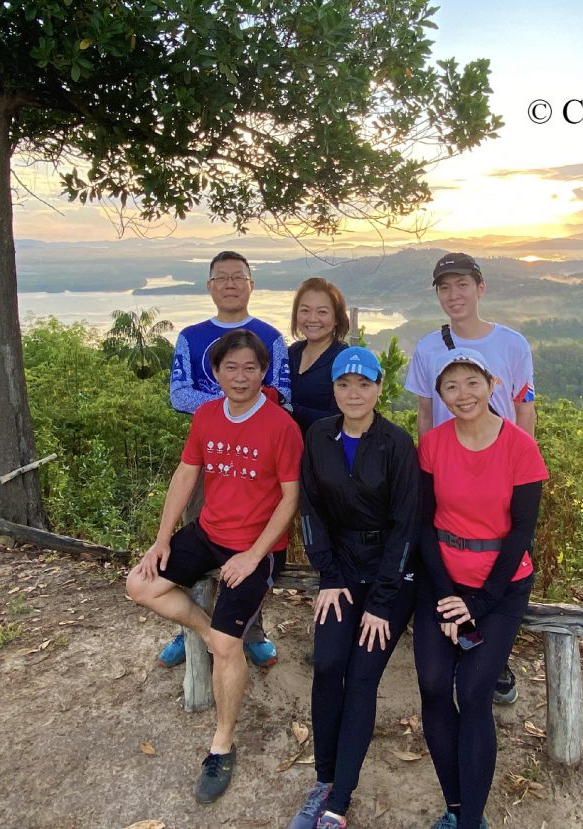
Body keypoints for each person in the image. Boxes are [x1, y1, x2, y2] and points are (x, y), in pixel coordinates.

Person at [126, 329, 303, 804]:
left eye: (250, 367)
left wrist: (252, 554)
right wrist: (162, 540)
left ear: (263, 371)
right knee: (139, 584)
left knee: (230, 646)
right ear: (217, 372)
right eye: (231, 367)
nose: (241, 376)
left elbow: (290, 499)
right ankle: (209, 634)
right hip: (208, 533)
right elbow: (186, 474)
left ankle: (221, 744)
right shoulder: (206, 415)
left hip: (257, 545)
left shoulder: (281, 425)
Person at [413, 347, 547, 829]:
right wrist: (449, 596)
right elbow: (425, 525)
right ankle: (454, 806)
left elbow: (521, 531)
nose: (462, 394)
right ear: (440, 395)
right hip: (442, 582)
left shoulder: (519, 447)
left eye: (471, 382)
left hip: (500, 588)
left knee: (472, 692)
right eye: (450, 386)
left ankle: (473, 818)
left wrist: (479, 601)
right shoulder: (432, 445)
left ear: (492, 385)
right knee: (431, 684)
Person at [286, 346, 419, 829]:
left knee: (362, 675)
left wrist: (382, 603)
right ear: (334, 389)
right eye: (345, 384)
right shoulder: (320, 435)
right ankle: (322, 780)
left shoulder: (397, 443)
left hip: (391, 575)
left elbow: (408, 526)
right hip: (341, 569)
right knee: (327, 664)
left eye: (364, 384)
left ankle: (339, 802)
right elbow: (311, 511)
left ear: (380, 388)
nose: (354, 392)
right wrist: (329, 575)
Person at [403, 251, 536, 705]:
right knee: (447, 560)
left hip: (501, 473)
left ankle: (494, 658)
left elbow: (524, 409)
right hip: (447, 471)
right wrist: (429, 469)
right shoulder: (426, 348)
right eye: (444, 287)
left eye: (462, 285)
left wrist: (521, 466)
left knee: (504, 558)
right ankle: (454, 641)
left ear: (481, 288)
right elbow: (424, 412)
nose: (453, 294)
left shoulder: (513, 345)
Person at [158, 250, 291, 669]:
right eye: (222, 277)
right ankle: (194, 628)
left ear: (251, 284)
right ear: (210, 285)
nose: (230, 284)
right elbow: (178, 394)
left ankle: (250, 630)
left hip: (258, 460)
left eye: (239, 277)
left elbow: (282, 395)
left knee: (252, 548)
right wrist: (233, 403)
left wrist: (240, 405)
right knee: (198, 541)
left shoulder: (269, 337)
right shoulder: (191, 335)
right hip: (207, 456)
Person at [288, 277, 350, 434]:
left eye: (322, 311)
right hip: (285, 449)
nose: (312, 318)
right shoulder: (291, 353)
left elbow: (339, 419)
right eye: (305, 310)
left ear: (336, 318)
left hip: (322, 453)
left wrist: (287, 407)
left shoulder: (344, 360)